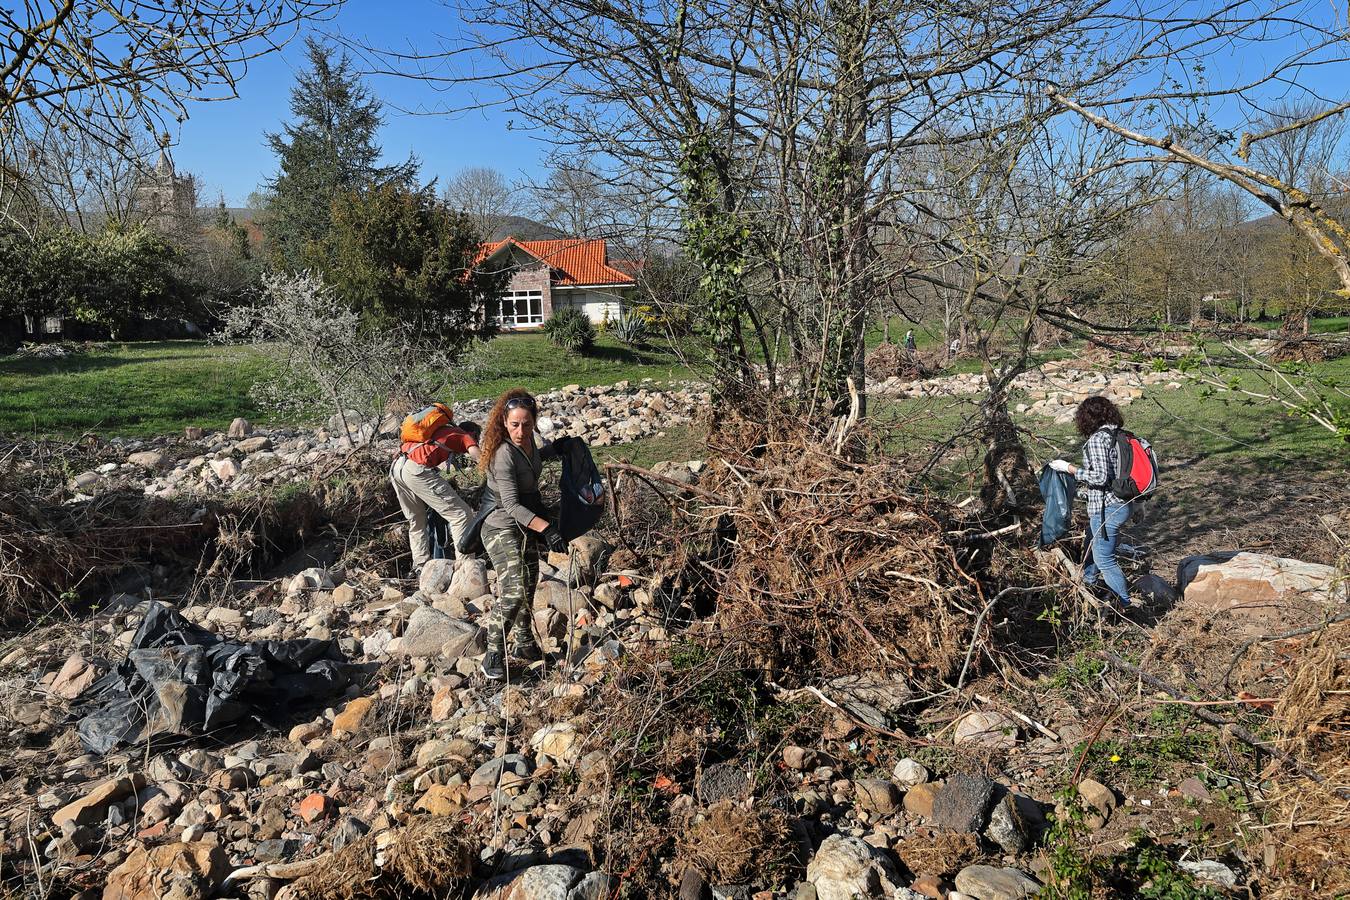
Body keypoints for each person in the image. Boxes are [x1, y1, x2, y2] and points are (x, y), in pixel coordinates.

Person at [477, 388, 570, 680]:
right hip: (501, 527)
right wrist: (548, 528)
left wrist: (553, 450)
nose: (520, 430)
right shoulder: (502, 453)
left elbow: (529, 464)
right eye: (514, 424)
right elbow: (512, 504)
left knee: (529, 583)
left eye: (526, 424)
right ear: (504, 422)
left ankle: (524, 643)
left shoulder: (528, 444)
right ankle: (493, 653)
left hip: (523, 527)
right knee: (514, 589)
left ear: (534, 422)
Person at [1050, 396, 1139, 609]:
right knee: (1092, 544)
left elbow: (1099, 477)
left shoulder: (1099, 439)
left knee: (1105, 559)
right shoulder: (1122, 436)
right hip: (1123, 503)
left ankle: (1124, 606)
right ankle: (1088, 584)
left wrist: (1068, 468)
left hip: (1108, 508)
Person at [390, 406, 480, 574]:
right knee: (461, 514)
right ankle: (466, 567)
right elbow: (478, 457)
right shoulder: (464, 436)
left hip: (397, 467)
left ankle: (420, 566)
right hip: (414, 470)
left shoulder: (439, 432)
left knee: (416, 520)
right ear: (473, 433)